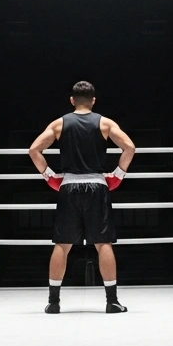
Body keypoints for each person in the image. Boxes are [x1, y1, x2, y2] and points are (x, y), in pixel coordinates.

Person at [28, 80, 136, 314]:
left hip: (69, 187)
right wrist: (118, 175)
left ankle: (54, 303)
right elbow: (129, 147)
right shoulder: (105, 123)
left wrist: (49, 176)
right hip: (97, 186)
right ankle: (112, 302)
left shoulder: (59, 124)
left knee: (62, 244)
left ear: (72, 100)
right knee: (103, 243)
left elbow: (34, 150)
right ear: (93, 100)